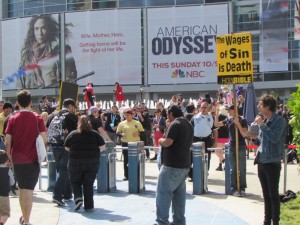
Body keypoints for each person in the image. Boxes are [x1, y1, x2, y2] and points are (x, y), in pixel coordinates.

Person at [5, 90, 47, 225]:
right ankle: (27, 221)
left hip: (17, 159)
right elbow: (44, 139)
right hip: (33, 159)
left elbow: (7, 141)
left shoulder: (12, 119)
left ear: (17, 103)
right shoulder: (38, 118)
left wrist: (9, 158)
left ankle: (24, 217)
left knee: (22, 189)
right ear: (30, 102)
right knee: (28, 190)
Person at [154, 105, 193, 225]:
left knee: (163, 194)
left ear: (170, 113)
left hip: (171, 165)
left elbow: (167, 142)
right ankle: (179, 221)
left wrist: (160, 140)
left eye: (167, 115)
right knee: (179, 195)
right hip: (184, 164)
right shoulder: (188, 124)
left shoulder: (175, 124)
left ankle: (161, 221)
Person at [17, 15, 77, 88]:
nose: (40, 33)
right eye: (36, 29)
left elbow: (71, 79)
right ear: (33, 31)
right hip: (33, 97)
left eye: (43, 28)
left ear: (49, 30)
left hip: (55, 96)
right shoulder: (27, 55)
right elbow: (20, 83)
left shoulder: (62, 50)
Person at [255, 94, 286, 225]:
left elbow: (274, 138)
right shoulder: (265, 121)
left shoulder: (279, 120)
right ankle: (266, 221)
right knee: (266, 195)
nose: (258, 106)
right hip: (262, 160)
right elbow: (262, 141)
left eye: (260, 104)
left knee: (273, 195)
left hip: (272, 162)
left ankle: (275, 221)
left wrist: (262, 125)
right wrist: (249, 136)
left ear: (268, 106)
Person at [64, 115, 105, 211]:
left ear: (78, 123)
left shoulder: (73, 134)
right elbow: (103, 146)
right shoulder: (95, 134)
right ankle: (89, 206)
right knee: (88, 184)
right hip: (92, 162)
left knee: (75, 181)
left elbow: (66, 147)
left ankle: (78, 199)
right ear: (89, 123)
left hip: (75, 162)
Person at [46, 98, 78, 206]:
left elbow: (47, 130)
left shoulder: (52, 115)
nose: (73, 109)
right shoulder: (71, 116)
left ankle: (68, 194)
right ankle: (57, 195)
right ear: (70, 106)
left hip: (54, 146)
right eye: (73, 107)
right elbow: (75, 133)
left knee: (62, 170)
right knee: (65, 170)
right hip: (66, 147)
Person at [215, 104, 248, 196]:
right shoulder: (229, 120)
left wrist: (238, 124)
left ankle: (242, 188)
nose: (228, 111)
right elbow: (217, 124)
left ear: (234, 110)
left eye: (229, 110)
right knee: (232, 169)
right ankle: (233, 187)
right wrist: (216, 113)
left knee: (242, 168)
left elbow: (245, 133)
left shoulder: (242, 119)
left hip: (240, 145)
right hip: (231, 145)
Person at [116, 109, 144, 181]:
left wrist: (138, 133)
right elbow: (117, 133)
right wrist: (121, 134)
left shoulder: (137, 123)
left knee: (136, 159)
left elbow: (143, 132)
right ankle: (126, 175)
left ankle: (136, 174)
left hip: (135, 143)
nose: (127, 116)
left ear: (132, 115)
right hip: (125, 143)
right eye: (125, 115)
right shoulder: (122, 123)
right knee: (126, 159)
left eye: (128, 115)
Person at [190, 101, 218, 172]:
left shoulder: (212, 118)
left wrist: (215, 142)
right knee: (195, 157)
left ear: (208, 108)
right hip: (195, 139)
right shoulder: (195, 117)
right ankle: (194, 175)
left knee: (206, 157)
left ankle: (205, 173)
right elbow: (190, 129)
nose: (203, 109)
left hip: (207, 140)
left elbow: (215, 130)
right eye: (201, 107)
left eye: (205, 107)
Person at [0, 150, 15, 225]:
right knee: (5, 213)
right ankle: (2, 223)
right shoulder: (7, 170)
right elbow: (12, 182)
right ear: (6, 160)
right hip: (4, 195)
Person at [214, 104, 229, 171]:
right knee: (223, 152)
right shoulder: (227, 118)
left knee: (217, 151)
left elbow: (216, 125)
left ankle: (223, 161)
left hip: (220, 136)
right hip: (227, 137)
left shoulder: (219, 117)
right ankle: (222, 164)